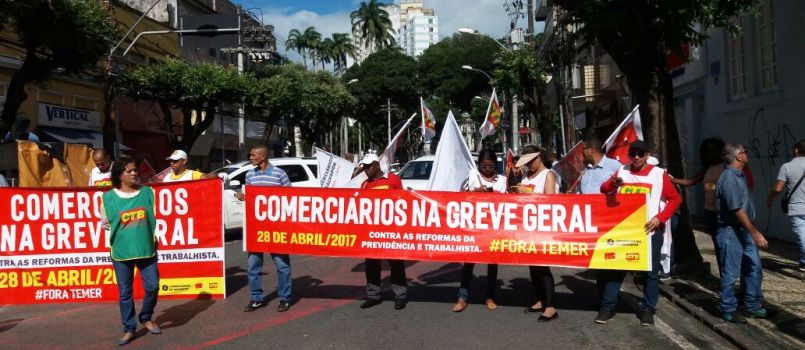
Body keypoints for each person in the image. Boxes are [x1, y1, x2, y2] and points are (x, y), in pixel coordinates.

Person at [597, 140, 681, 326]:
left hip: (650, 231)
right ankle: (608, 307)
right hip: (626, 231)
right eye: (633, 153)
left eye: (640, 154)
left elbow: (675, 199)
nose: (636, 157)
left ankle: (648, 309)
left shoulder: (659, 174)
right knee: (616, 269)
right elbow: (604, 189)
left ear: (647, 156)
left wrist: (660, 218)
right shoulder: (622, 171)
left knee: (651, 273)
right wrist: (612, 184)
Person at [101, 155, 161, 346]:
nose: (135, 173)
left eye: (135, 170)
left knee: (152, 286)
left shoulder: (147, 193)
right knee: (125, 292)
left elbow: (156, 218)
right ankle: (129, 328)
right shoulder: (108, 198)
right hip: (121, 252)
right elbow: (105, 224)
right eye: (130, 171)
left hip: (146, 250)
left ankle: (146, 316)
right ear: (120, 175)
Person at [236, 145, 293, 313]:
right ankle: (256, 298)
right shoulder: (250, 174)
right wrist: (242, 196)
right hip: (256, 227)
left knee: (282, 265)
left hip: (276, 228)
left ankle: (284, 298)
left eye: (253, 155)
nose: (250, 157)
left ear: (262, 157)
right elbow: (249, 197)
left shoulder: (279, 174)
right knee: (253, 265)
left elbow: (290, 196)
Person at [716, 143, 768, 323]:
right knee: (730, 272)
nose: (747, 155)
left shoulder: (740, 175)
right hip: (732, 230)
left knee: (754, 267)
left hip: (743, 230)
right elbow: (736, 209)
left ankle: (752, 305)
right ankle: (727, 308)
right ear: (738, 156)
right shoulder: (729, 178)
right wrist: (754, 232)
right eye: (745, 152)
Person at [452, 149, 507, 312]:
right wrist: (476, 192)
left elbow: (508, 201)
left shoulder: (503, 180)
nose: (487, 170)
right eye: (484, 167)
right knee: (469, 264)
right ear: (478, 165)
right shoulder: (472, 177)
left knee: (492, 264)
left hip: (494, 228)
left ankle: (490, 297)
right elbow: (460, 198)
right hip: (474, 228)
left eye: (490, 167)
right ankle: (462, 297)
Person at [510, 145, 559, 322]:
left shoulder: (549, 175)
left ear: (540, 157)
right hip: (528, 226)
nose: (529, 165)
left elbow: (551, 200)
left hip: (543, 227)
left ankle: (551, 306)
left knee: (542, 267)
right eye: (527, 162)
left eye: (531, 161)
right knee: (533, 266)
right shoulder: (526, 175)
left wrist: (528, 192)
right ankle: (541, 299)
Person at [358, 153, 409, 310]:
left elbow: (403, 201)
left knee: (396, 264)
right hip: (372, 232)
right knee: (372, 264)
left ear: (377, 166)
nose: (365, 170)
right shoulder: (365, 184)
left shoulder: (393, 180)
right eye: (364, 167)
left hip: (391, 231)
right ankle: (373, 295)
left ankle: (400, 296)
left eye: (368, 167)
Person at [577, 139, 622, 305]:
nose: (581, 153)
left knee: (611, 262)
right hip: (591, 224)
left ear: (592, 150)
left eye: (583, 150)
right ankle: (603, 297)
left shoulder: (614, 166)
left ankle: (609, 301)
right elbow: (582, 193)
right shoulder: (586, 170)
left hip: (608, 222)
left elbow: (624, 190)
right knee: (598, 262)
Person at [767, 140, 805, 272]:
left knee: (802, 236)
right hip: (797, 208)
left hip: (797, 208)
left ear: (796, 150)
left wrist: (770, 199)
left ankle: (804, 261)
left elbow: (778, 189)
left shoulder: (787, 166)